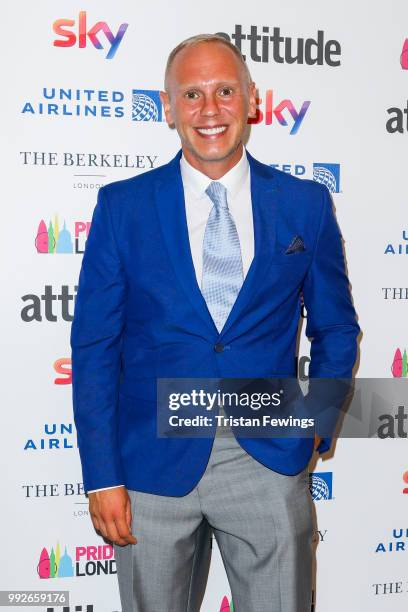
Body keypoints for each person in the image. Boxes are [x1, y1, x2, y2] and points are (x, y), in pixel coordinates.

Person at [70, 33, 360, 612]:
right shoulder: (122, 206)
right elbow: (95, 348)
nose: (210, 110)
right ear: (168, 106)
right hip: (150, 465)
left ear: (252, 99)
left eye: (226, 91)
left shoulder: (305, 203)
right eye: (193, 94)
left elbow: (337, 328)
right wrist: (102, 476)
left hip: (268, 458)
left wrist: (315, 427)